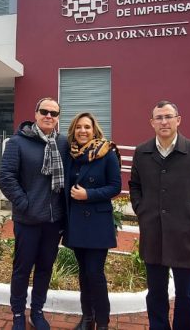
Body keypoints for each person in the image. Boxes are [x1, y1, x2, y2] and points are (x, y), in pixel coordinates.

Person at [129, 100, 190, 330]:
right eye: (159, 117)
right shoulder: (142, 152)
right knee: (156, 293)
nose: (164, 121)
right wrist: (142, 211)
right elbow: (135, 186)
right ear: (152, 123)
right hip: (154, 234)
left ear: (178, 120)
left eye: (168, 116)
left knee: (185, 294)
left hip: (186, 237)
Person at [0, 97, 69, 330]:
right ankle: (18, 313)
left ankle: (37, 311)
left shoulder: (62, 143)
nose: (49, 116)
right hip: (27, 219)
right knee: (22, 269)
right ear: (36, 113)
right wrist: (24, 203)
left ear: (58, 118)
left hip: (53, 220)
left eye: (54, 113)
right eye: (45, 111)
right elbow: (6, 177)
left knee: (45, 268)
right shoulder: (18, 142)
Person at [63, 112, 122, 330]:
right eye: (78, 127)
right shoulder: (71, 155)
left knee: (94, 273)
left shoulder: (107, 153)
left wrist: (89, 194)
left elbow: (116, 187)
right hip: (76, 223)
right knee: (83, 272)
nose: (82, 131)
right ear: (73, 130)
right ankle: (87, 318)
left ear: (94, 129)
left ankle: (103, 322)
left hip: (97, 222)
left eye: (87, 127)